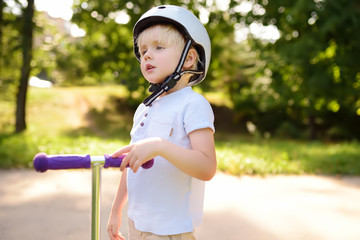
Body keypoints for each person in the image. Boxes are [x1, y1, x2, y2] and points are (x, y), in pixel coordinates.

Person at [107, 5, 216, 240]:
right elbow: (132, 165)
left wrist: (160, 146)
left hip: (170, 230)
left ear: (188, 58)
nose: (146, 55)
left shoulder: (192, 105)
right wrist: (116, 210)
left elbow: (207, 167)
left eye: (158, 47)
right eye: (143, 49)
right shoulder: (145, 107)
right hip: (136, 222)